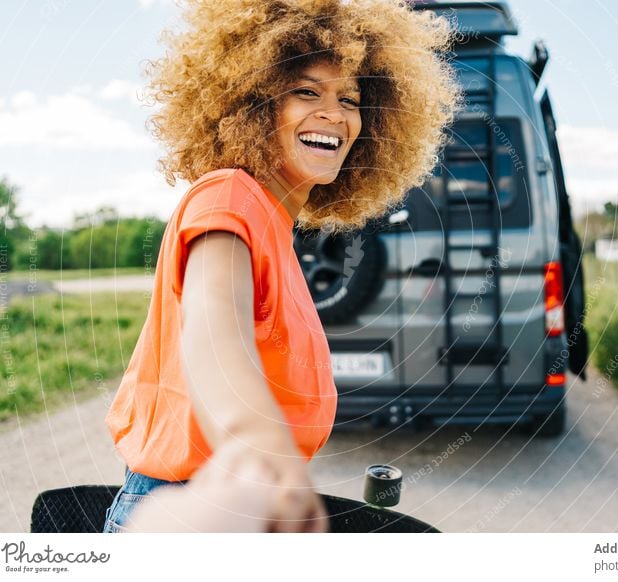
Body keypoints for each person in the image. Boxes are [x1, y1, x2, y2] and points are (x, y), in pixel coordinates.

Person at [102, 0, 462, 533]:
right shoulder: (228, 196)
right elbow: (212, 323)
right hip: (196, 505)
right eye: (307, 91)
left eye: (350, 99)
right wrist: (258, 447)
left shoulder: (276, 228)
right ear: (252, 101)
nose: (335, 114)